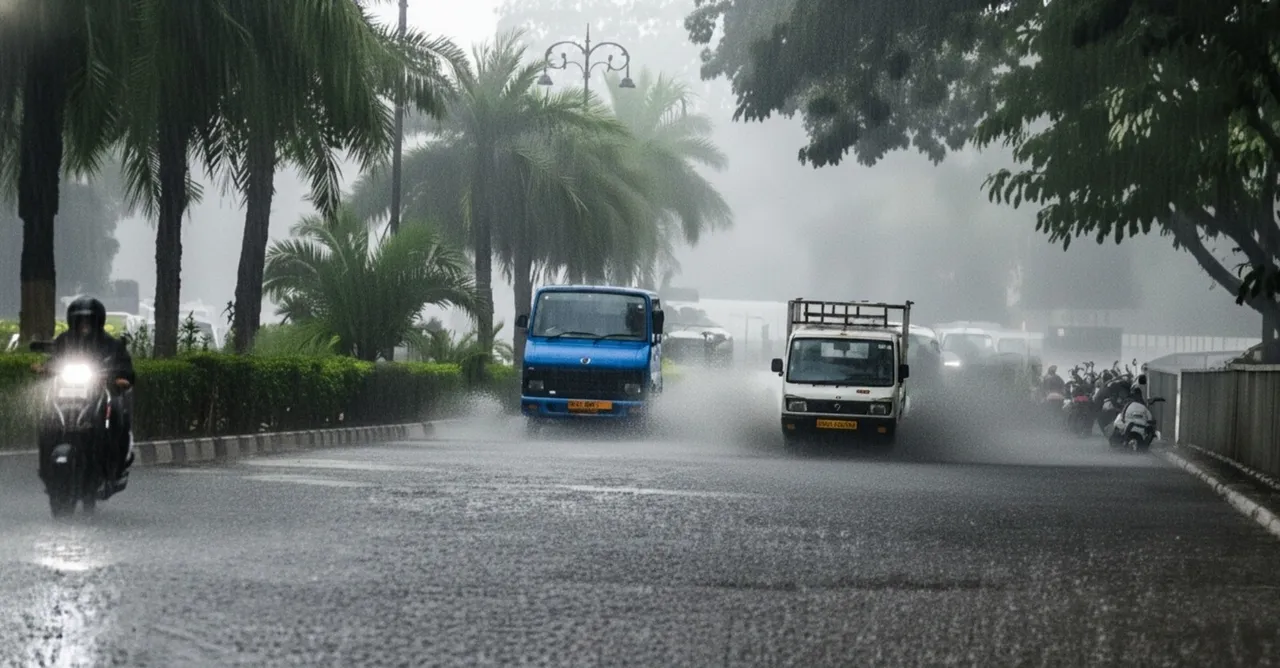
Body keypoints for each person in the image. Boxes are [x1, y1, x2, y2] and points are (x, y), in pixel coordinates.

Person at [31, 297, 136, 493]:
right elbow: (53, 360)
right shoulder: (64, 341)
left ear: (98, 322)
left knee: (114, 415)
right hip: (66, 393)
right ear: (73, 321)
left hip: (98, 394)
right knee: (46, 420)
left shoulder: (111, 345)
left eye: (89, 321)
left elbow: (125, 368)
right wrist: (44, 369)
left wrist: (120, 378)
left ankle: (113, 469)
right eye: (80, 321)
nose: (84, 326)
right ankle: (46, 468)